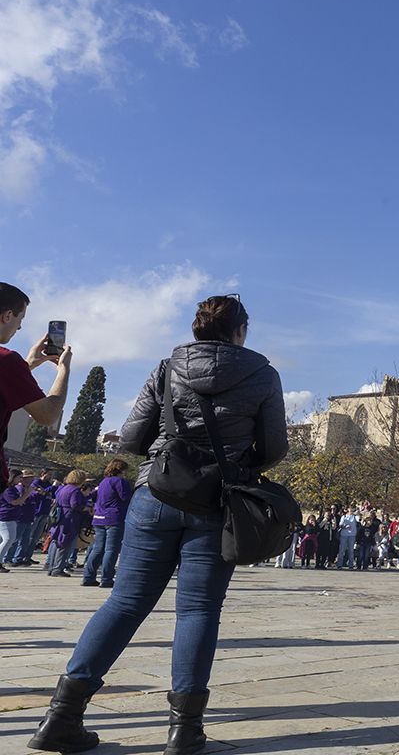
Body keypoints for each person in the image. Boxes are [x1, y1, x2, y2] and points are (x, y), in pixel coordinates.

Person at [29, 294, 287, 755]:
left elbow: (130, 437)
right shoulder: (263, 375)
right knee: (198, 610)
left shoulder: (168, 368)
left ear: (196, 329)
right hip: (216, 502)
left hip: (156, 492)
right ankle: (184, 731)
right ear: (240, 331)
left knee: (124, 603)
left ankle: (61, 716)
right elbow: (273, 449)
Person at [0, 283, 73, 494]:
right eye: (20, 319)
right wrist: (63, 369)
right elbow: (47, 414)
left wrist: (26, 366)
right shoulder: (7, 361)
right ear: (7, 316)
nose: (19, 327)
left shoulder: (11, 365)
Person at [80, 460, 134, 588]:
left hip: (99, 517)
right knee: (111, 549)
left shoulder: (103, 482)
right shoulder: (120, 481)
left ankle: (88, 577)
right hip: (114, 518)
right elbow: (126, 497)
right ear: (122, 470)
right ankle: (107, 578)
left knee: (98, 548)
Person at [46, 470, 91, 577]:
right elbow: (75, 505)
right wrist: (86, 508)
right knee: (64, 544)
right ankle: (58, 568)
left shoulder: (64, 488)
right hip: (70, 518)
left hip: (60, 517)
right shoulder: (75, 491)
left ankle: (52, 567)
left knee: (56, 542)